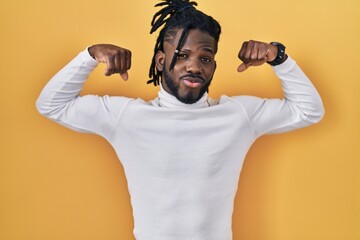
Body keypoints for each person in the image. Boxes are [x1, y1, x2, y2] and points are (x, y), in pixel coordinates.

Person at [36, 0, 324, 239]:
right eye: (182, 55)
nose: (194, 66)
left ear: (213, 65)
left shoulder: (238, 115)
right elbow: (51, 105)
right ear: (161, 61)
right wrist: (89, 56)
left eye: (205, 58)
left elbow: (309, 111)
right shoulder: (127, 117)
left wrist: (278, 57)